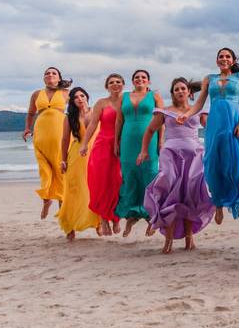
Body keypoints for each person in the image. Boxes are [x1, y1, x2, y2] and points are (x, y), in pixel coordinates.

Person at [140, 78, 215, 253]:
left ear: (189, 92)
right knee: (170, 190)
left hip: (194, 156)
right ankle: (168, 240)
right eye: (176, 89)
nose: (180, 91)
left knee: (189, 195)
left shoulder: (198, 111)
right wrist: (144, 151)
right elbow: (150, 130)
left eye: (183, 88)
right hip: (170, 154)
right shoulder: (165, 112)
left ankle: (189, 239)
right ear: (173, 93)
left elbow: (212, 129)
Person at [179, 48, 239, 223]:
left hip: (233, 124)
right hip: (214, 126)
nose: (224, 59)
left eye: (227, 56)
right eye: (221, 56)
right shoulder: (209, 79)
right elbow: (199, 103)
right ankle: (218, 203)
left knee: (236, 164)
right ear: (217, 60)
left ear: (233, 60)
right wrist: (187, 115)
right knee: (213, 164)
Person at [114, 69, 164, 237]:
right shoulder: (124, 96)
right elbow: (119, 120)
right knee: (129, 176)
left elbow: (161, 120)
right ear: (133, 81)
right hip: (128, 140)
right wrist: (116, 141)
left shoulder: (155, 96)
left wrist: (161, 142)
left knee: (149, 175)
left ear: (148, 81)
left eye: (143, 77)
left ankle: (152, 216)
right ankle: (131, 216)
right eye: (137, 77)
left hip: (149, 140)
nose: (140, 79)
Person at [23, 67, 71, 218]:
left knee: (61, 170)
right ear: (44, 78)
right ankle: (46, 201)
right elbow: (31, 113)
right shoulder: (37, 94)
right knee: (44, 170)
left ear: (58, 78)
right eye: (47, 73)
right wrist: (26, 128)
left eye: (53, 73)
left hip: (60, 134)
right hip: (41, 134)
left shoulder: (66, 93)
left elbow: (79, 110)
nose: (50, 75)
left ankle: (63, 208)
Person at [80, 73, 124, 236]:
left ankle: (116, 217)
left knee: (118, 181)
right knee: (101, 182)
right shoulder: (101, 103)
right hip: (102, 145)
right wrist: (84, 144)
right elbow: (92, 125)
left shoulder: (126, 101)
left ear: (123, 84)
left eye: (118, 82)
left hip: (121, 145)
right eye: (111, 82)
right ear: (107, 86)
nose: (115, 84)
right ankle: (104, 219)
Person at [57, 87, 100, 240]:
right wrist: (63, 159)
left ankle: (98, 222)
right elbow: (64, 139)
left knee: (94, 189)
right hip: (76, 156)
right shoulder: (69, 117)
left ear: (87, 97)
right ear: (72, 101)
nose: (80, 99)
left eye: (82, 95)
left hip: (96, 154)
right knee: (74, 191)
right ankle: (69, 227)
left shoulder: (97, 111)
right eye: (76, 97)